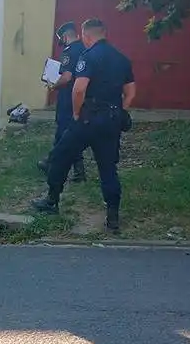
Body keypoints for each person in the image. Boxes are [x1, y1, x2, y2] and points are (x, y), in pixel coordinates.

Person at [31, 18, 137, 232]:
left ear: (87, 36)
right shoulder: (122, 59)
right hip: (111, 121)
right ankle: (113, 217)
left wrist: (77, 113)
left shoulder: (88, 56)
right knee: (108, 168)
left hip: (88, 119)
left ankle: (52, 201)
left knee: (61, 155)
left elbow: (79, 89)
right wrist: (118, 110)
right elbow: (131, 92)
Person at [38, 21, 86, 183]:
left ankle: (51, 163)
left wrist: (53, 85)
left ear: (65, 36)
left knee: (63, 133)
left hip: (67, 98)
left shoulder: (69, 52)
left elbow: (66, 77)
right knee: (72, 133)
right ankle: (79, 171)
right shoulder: (84, 49)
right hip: (81, 98)